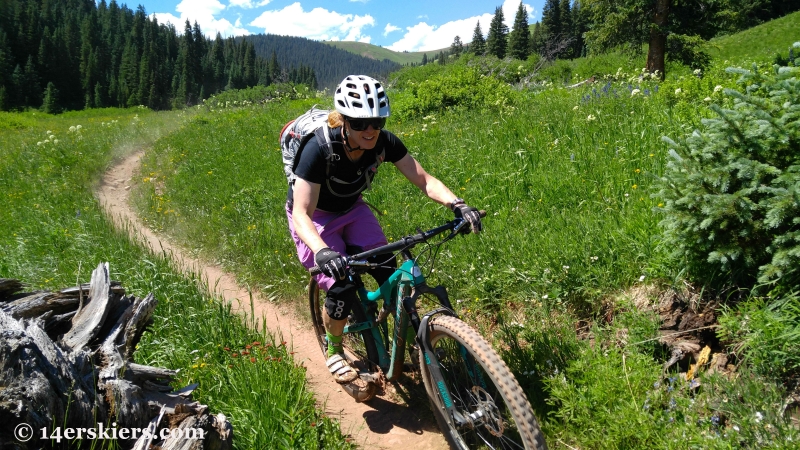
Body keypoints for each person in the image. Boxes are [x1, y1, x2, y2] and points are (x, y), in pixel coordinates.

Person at [286, 75, 482, 384]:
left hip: (352, 209)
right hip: (317, 218)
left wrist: (458, 205)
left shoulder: (384, 142)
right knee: (342, 285)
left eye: (376, 122)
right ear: (343, 120)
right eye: (360, 123)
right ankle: (334, 349)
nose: (370, 130)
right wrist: (322, 250)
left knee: (387, 268)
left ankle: (404, 338)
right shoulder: (318, 148)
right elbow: (301, 213)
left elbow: (424, 179)